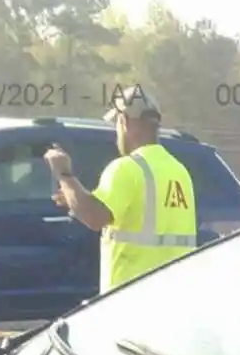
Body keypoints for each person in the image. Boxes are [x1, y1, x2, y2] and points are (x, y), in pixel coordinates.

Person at [43, 87, 197, 295]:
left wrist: (64, 174)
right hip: (173, 297)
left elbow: (94, 217)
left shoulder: (126, 168)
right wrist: (74, 197)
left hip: (130, 301)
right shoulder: (179, 171)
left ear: (124, 121)